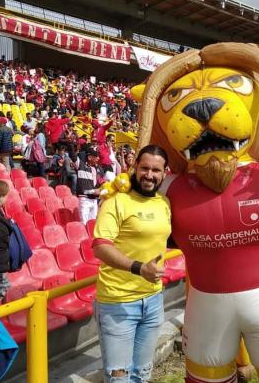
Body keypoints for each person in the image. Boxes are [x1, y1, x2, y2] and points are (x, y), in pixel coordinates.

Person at [92, 145, 171, 383]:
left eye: (156, 170)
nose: (149, 175)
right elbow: (100, 246)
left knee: (142, 374)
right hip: (118, 303)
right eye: (144, 168)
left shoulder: (164, 203)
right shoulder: (117, 201)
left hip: (153, 300)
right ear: (135, 167)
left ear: (165, 172)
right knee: (119, 377)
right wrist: (139, 268)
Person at [76, 147, 101, 224]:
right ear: (89, 157)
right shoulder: (81, 165)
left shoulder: (97, 169)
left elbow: (100, 183)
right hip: (85, 199)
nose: (98, 158)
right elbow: (73, 155)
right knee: (84, 224)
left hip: (94, 200)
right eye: (96, 156)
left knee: (92, 224)